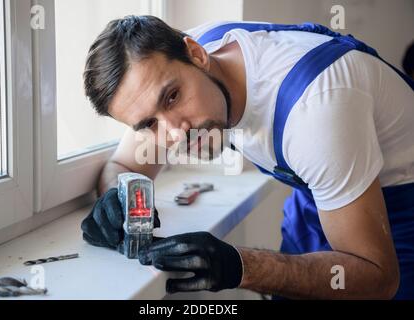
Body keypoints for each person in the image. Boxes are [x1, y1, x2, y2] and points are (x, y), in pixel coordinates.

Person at [81, 16, 414, 299]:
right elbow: (123, 165)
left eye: (171, 98)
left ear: (197, 54)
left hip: (399, 217)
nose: (176, 135)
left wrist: (242, 266)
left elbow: (379, 277)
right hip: (322, 195)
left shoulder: (316, 109)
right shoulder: (176, 70)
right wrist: (117, 195)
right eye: (148, 124)